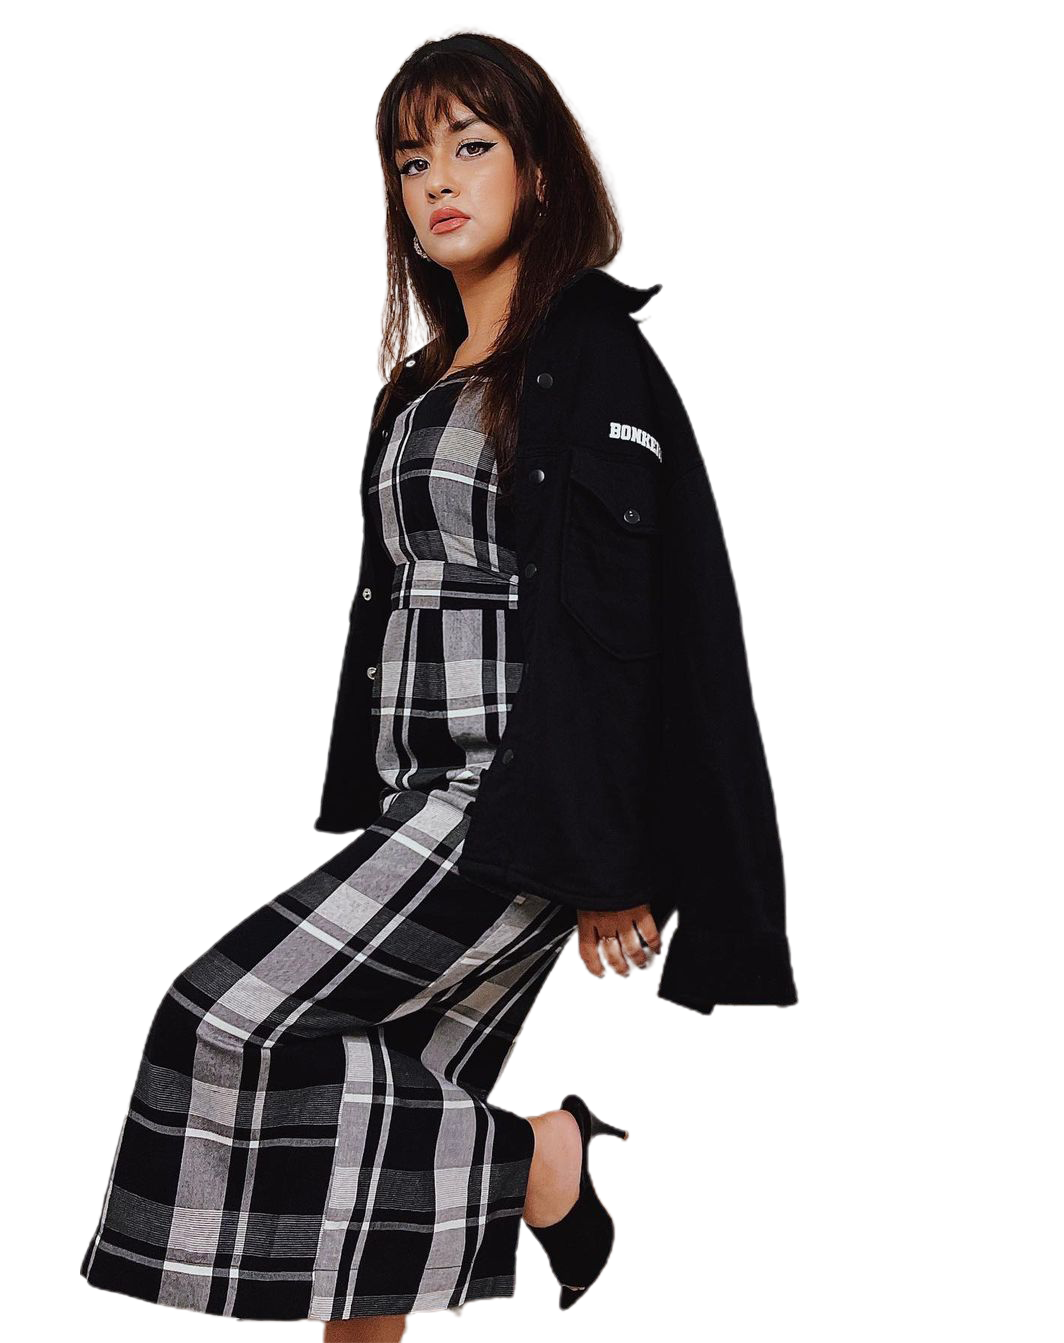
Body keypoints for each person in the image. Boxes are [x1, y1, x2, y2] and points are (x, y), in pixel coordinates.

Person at [81, 30, 797, 1341]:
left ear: (537, 169)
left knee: (220, 1018)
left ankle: (540, 1158)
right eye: (414, 162)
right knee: (365, 1148)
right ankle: (532, 1164)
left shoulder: (588, 356)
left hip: (509, 809)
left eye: (471, 146)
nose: (440, 181)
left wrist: (608, 858)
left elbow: (630, 616)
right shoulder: (417, 388)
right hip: (422, 796)